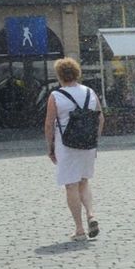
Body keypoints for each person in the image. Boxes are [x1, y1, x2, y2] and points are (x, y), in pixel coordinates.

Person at [43, 57, 103, 241]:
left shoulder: (56, 96)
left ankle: (79, 230)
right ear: (77, 73)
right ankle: (91, 214)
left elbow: (49, 125)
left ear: (59, 76)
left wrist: (50, 147)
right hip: (87, 144)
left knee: (71, 185)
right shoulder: (90, 92)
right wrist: (94, 140)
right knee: (84, 181)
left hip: (66, 145)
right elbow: (100, 119)